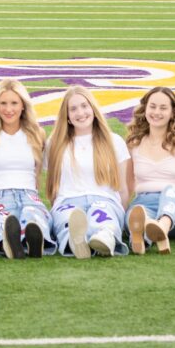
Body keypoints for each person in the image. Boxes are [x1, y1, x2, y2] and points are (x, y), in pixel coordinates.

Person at [45, 83, 129, 256]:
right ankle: (75, 242)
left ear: (93, 109)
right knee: (68, 220)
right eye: (73, 109)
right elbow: (53, 184)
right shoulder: (55, 144)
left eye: (84, 106)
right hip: (68, 201)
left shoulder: (114, 141)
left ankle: (105, 237)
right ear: (67, 116)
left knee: (105, 218)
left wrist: (120, 214)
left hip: (104, 200)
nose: (80, 113)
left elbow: (123, 189)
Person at [0, 76, 51, 257]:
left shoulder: (37, 133)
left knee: (35, 220)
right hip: (0, 196)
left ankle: (32, 242)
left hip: (29, 195)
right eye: (3, 103)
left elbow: (37, 176)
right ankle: (8, 242)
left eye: (14, 103)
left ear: (23, 105)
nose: (9, 109)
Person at [123, 86, 175, 255]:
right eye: (152, 106)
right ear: (145, 108)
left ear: (172, 112)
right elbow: (127, 185)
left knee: (171, 191)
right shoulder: (134, 141)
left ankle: (163, 225)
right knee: (134, 215)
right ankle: (144, 236)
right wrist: (121, 213)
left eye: (163, 108)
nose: (157, 112)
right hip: (145, 202)